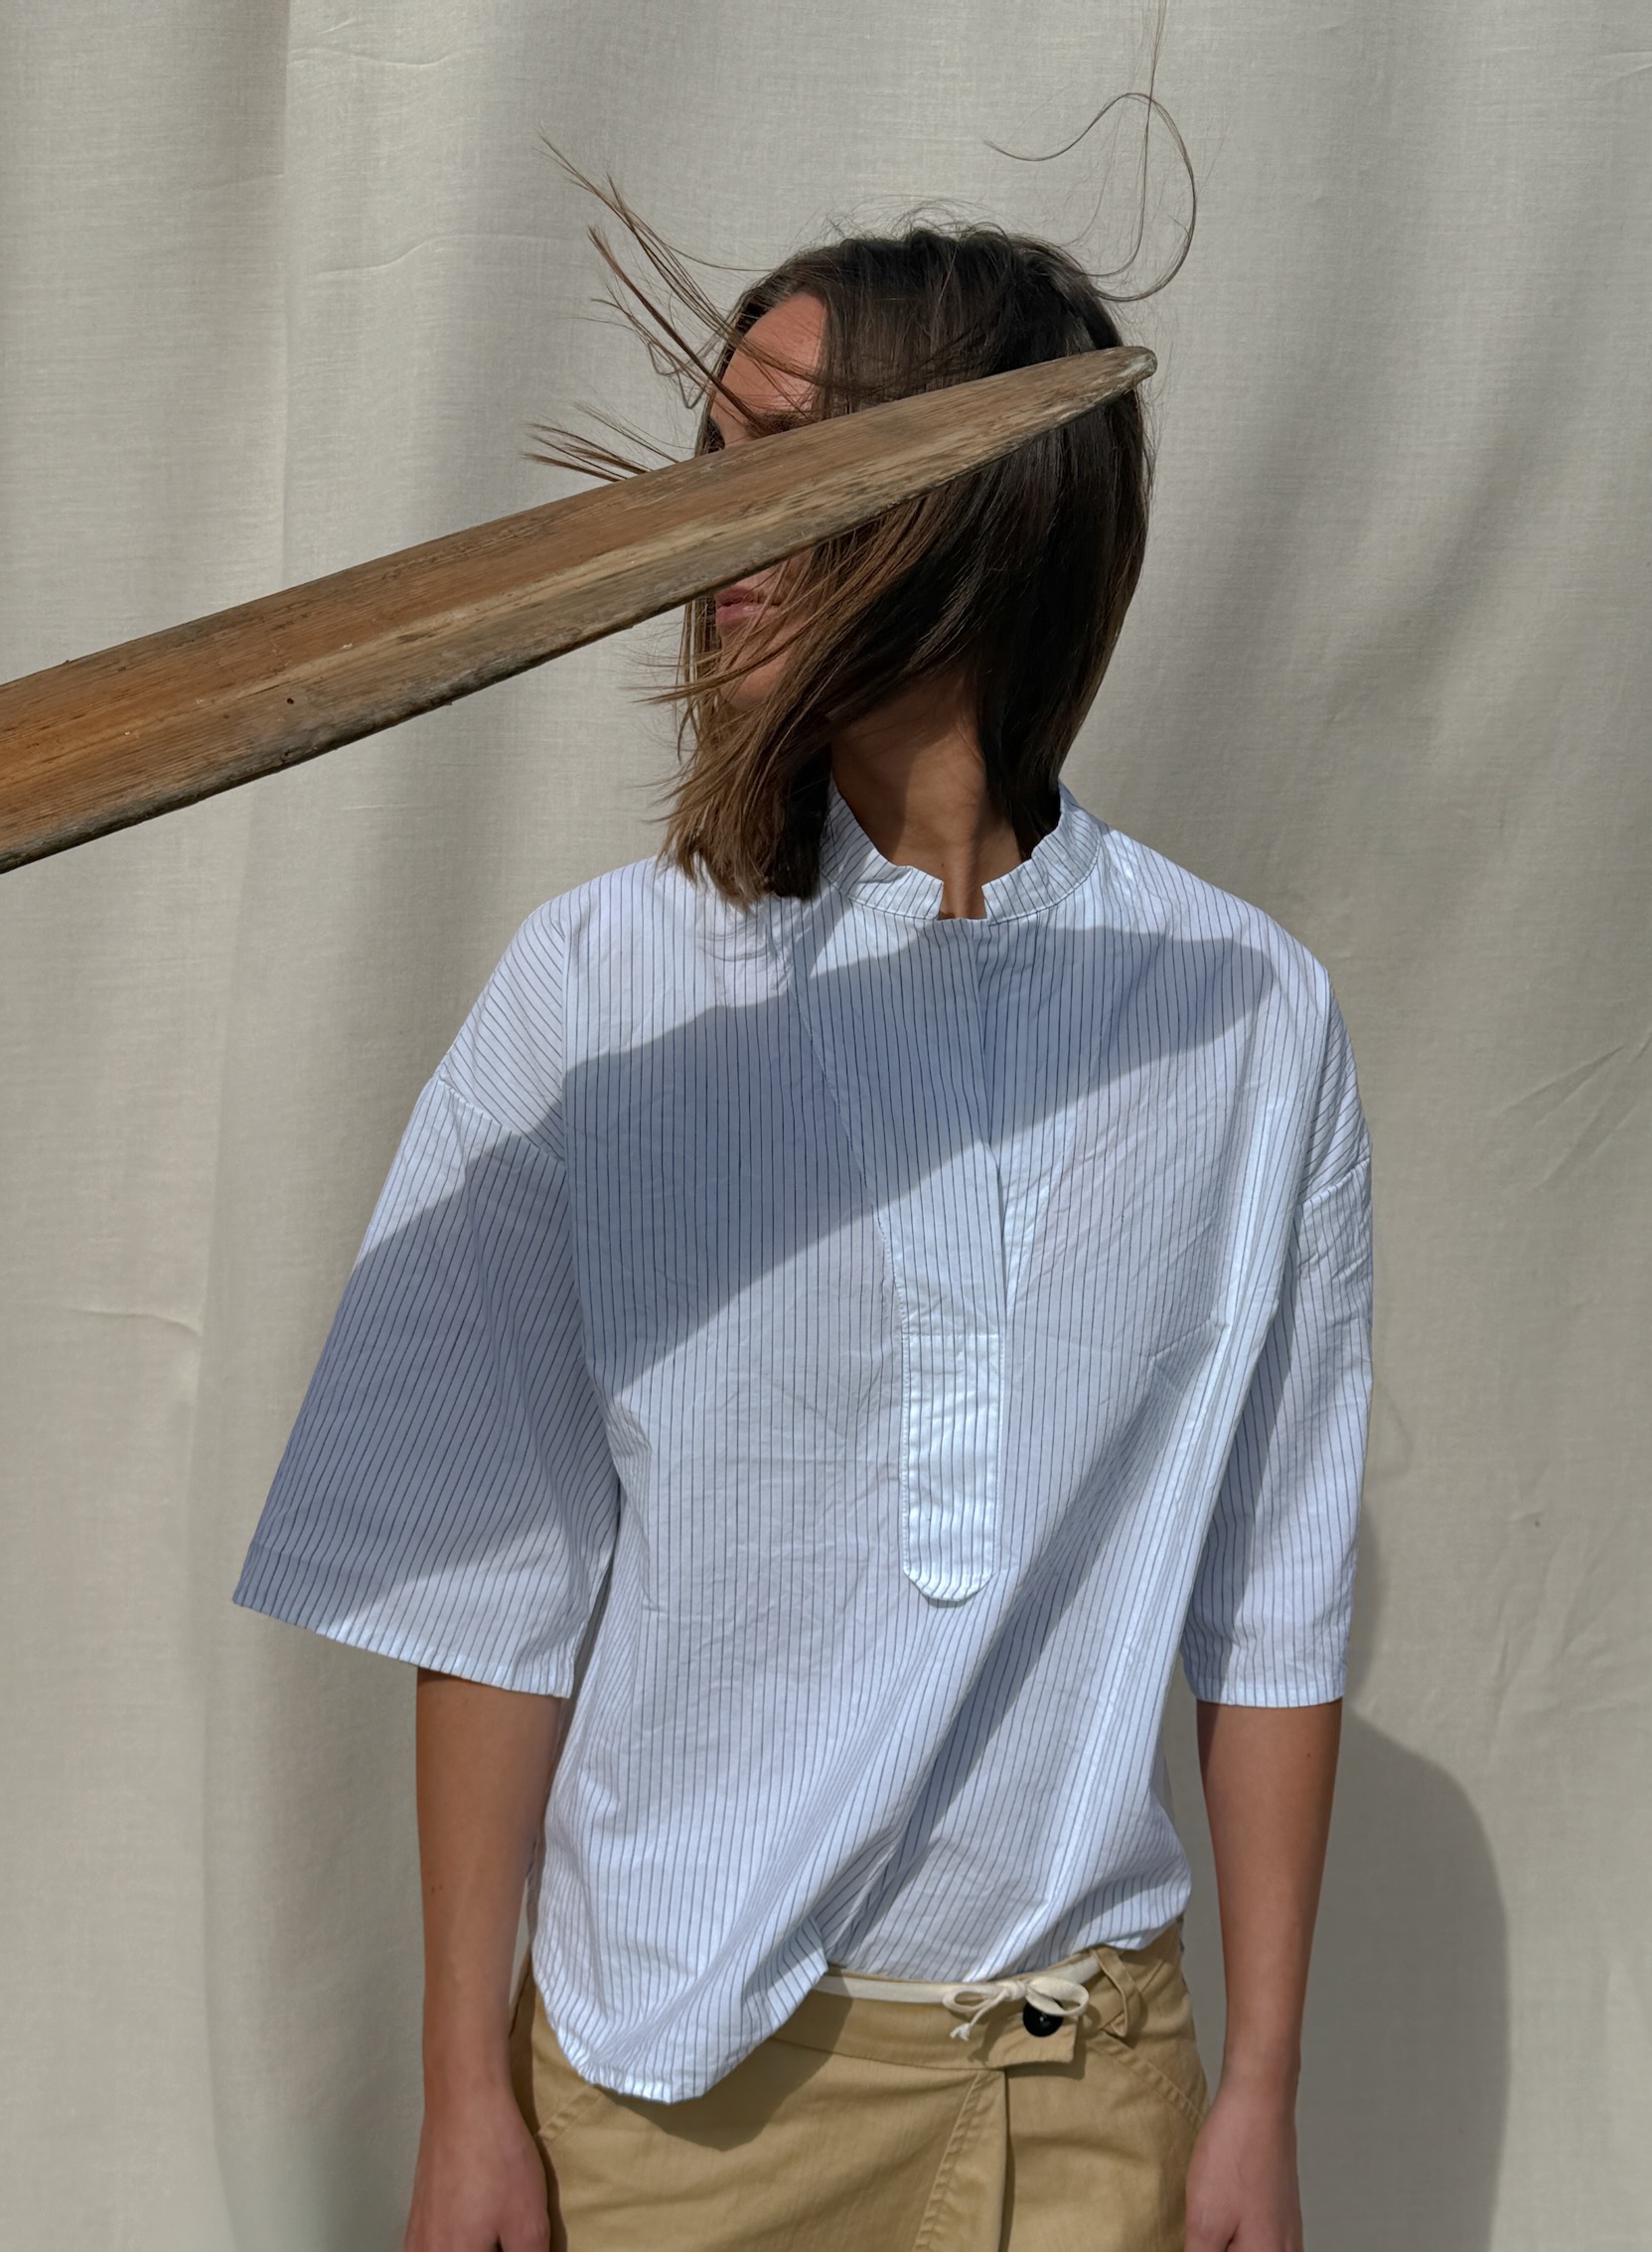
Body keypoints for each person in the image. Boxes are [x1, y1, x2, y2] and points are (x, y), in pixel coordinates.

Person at [234, 198, 1372, 2252]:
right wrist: (461, 2088)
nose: (708, 533)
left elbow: (1271, 1595)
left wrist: (1265, 2091)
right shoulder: (604, 997)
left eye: (790, 466)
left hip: (1080, 2096)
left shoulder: (1239, 1016)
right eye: (712, 459)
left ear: (986, 502)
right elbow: (495, 1583)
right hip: (673, 2113)